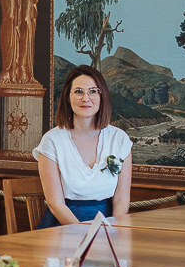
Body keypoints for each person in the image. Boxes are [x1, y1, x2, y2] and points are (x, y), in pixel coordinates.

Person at [32, 64, 133, 227]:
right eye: (78, 91)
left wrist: (114, 231)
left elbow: (121, 200)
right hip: (63, 225)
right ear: (67, 97)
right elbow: (55, 204)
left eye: (93, 91)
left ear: (102, 96)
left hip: (108, 225)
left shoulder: (119, 139)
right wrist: (83, 234)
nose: (86, 98)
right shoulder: (51, 141)